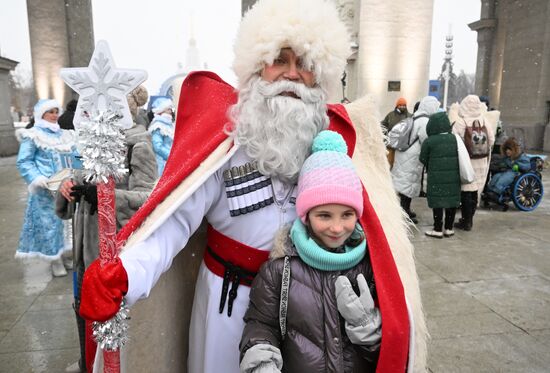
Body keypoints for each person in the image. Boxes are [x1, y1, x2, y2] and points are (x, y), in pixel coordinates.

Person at [78, 1, 426, 372]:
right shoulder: (223, 142)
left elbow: (367, 234)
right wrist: (127, 274)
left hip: (308, 311)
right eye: (280, 59)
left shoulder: (337, 141)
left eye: (305, 64)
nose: (292, 75)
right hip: (228, 305)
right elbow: (174, 223)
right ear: (257, 65)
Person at [240, 130, 381, 372]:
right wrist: (261, 355)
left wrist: (371, 332)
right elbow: (261, 324)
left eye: (347, 215)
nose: (337, 228)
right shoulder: (280, 270)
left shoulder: (371, 266)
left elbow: (391, 342)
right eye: (324, 215)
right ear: (306, 215)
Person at [56, 86, 158, 373]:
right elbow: (72, 176)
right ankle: (86, 361)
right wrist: (66, 189)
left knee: (109, 316)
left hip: (113, 252)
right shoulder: (89, 141)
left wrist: (105, 197)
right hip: (83, 250)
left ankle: (110, 366)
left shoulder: (138, 145)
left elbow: (147, 199)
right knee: (82, 307)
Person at [15, 99, 79, 276]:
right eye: (50, 112)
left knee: (67, 224)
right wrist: (37, 178)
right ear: (41, 114)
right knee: (50, 225)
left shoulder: (65, 135)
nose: (54, 115)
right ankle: (54, 260)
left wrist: (79, 172)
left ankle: (66, 254)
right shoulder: (33, 135)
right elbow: (24, 162)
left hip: (66, 186)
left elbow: (75, 156)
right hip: (45, 190)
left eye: (56, 111)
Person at [391, 96, 440, 223]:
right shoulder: (424, 121)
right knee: (408, 184)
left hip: (403, 153)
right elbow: (426, 140)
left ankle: (404, 210)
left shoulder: (413, 117)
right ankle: (404, 213)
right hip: (412, 157)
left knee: (404, 184)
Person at [452, 95, 495, 231]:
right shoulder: (484, 121)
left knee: (466, 190)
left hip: (467, 160)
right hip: (481, 160)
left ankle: (466, 221)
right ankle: (470, 218)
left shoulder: (461, 122)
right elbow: (492, 140)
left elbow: (455, 141)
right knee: (475, 190)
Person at [419, 112, 461, 238]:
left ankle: (437, 229)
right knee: (451, 200)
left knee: (438, 201)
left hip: (436, 177)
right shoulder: (455, 139)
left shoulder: (429, 141)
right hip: (453, 176)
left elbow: (422, 158)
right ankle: (449, 228)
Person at [381, 97, 411, 168]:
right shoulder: (390, 115)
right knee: (389, 163)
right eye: (401, 105)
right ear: (397, 105)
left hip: (402, 145)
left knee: (400, 165)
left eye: (404, 105)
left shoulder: (409, 116)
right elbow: (383, 125)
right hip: (390, 144)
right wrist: (384, 136)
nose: (402, 107)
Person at [148, 97, 175, 175]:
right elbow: (157, 147)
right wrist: (171, 156)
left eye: (171, 109)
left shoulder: (170, 125)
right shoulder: (157, 126)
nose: (170, 111)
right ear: (161, 110)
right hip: (163, 163)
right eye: (168, 109)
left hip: (172, 161)